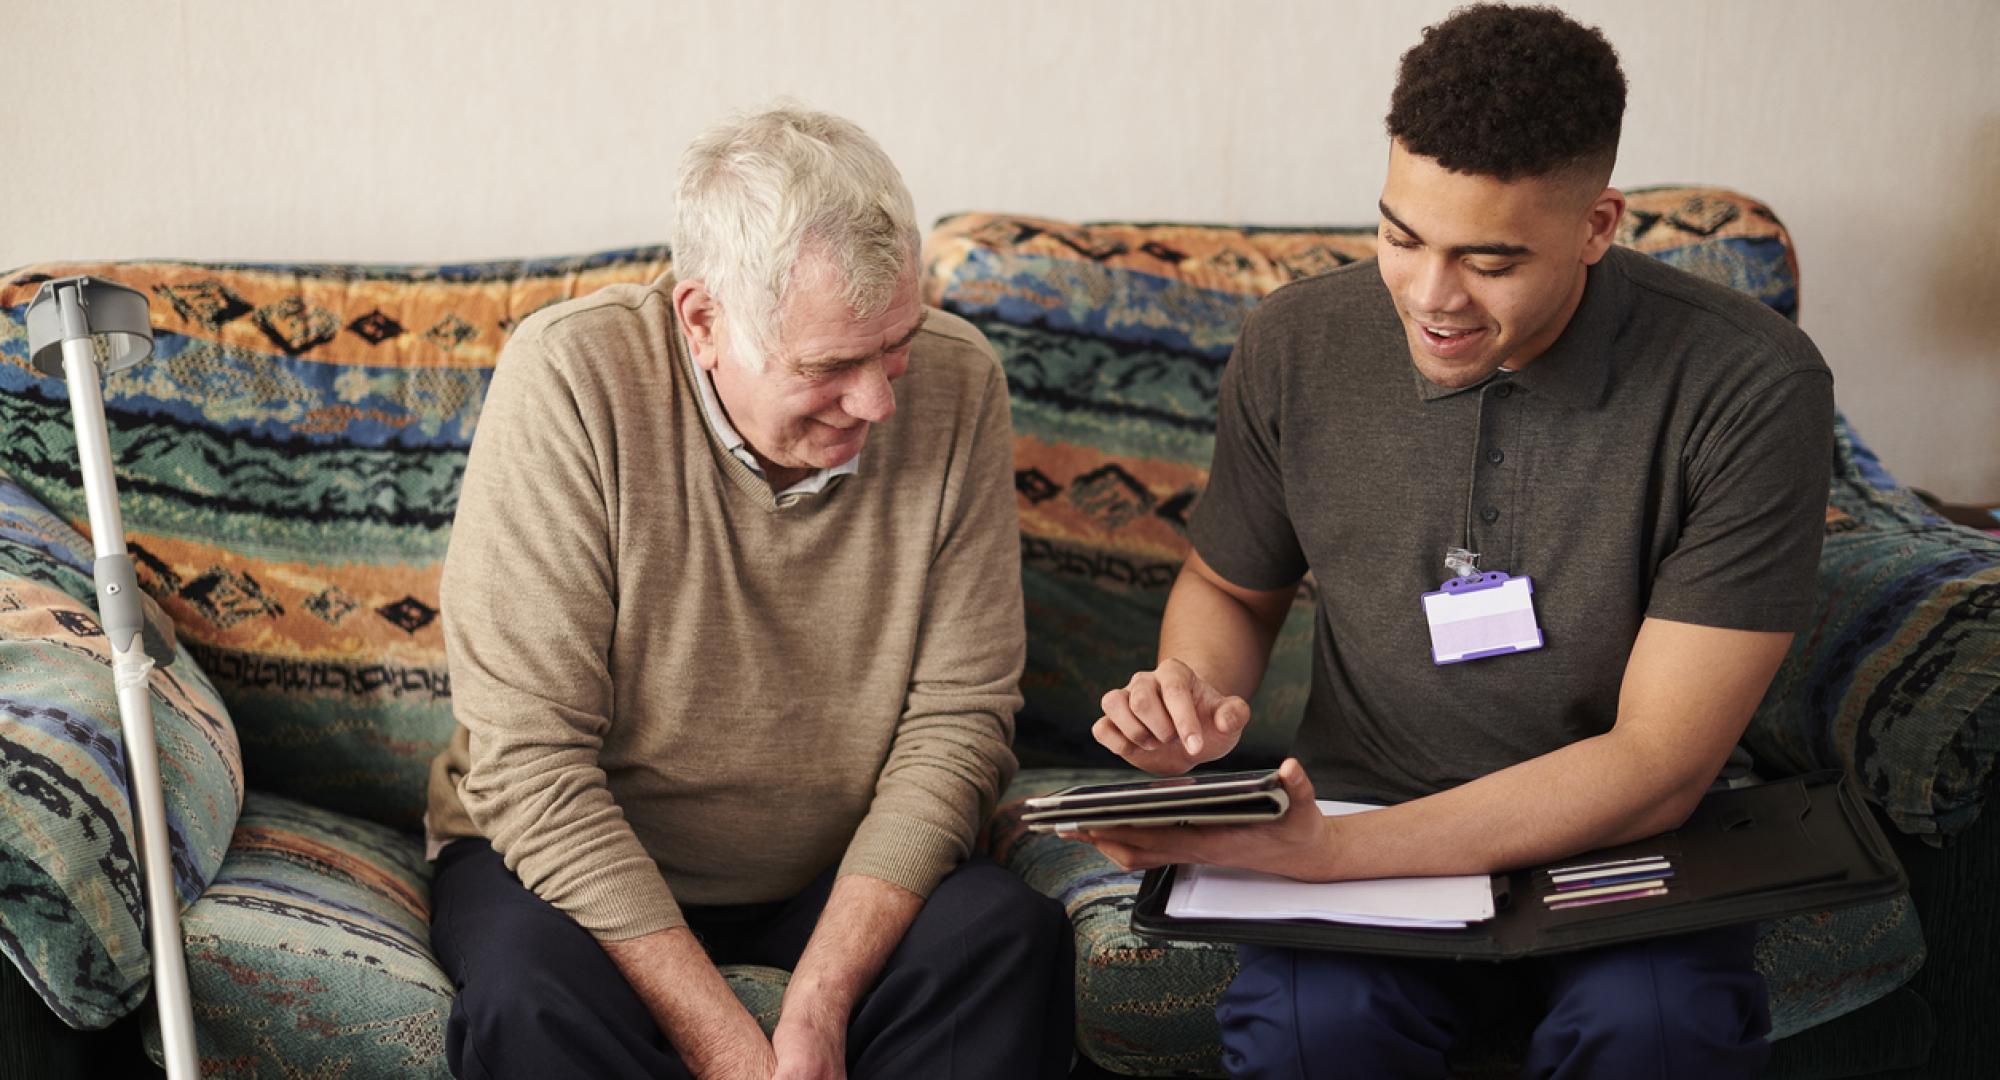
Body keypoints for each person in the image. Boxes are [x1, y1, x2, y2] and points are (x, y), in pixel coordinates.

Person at [1077, 6, 1834, 1078]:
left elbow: (1656, 766)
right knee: (1308, 1035)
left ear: (1596, 225)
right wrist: (1189, 691)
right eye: (1398, 236)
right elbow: (1227, 585)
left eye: (1488, 261)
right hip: (1366, 802)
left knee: (1657, 1033)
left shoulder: (1748, 386)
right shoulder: (1295, 344)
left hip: (1623, 841)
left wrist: (1326, 856)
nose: (1430, 299)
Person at [423, 105, 1072, 1080]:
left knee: (1004, 937)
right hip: (560, 869)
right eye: (830, 366)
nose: (878, 401)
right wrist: (727, 1043)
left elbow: (958, 725)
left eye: (892, 344)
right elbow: (533, 770)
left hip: (831, 870)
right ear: (703, 319)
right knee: (527, 1001)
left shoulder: (957, 382)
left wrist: (817, 1001)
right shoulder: (572, 380)